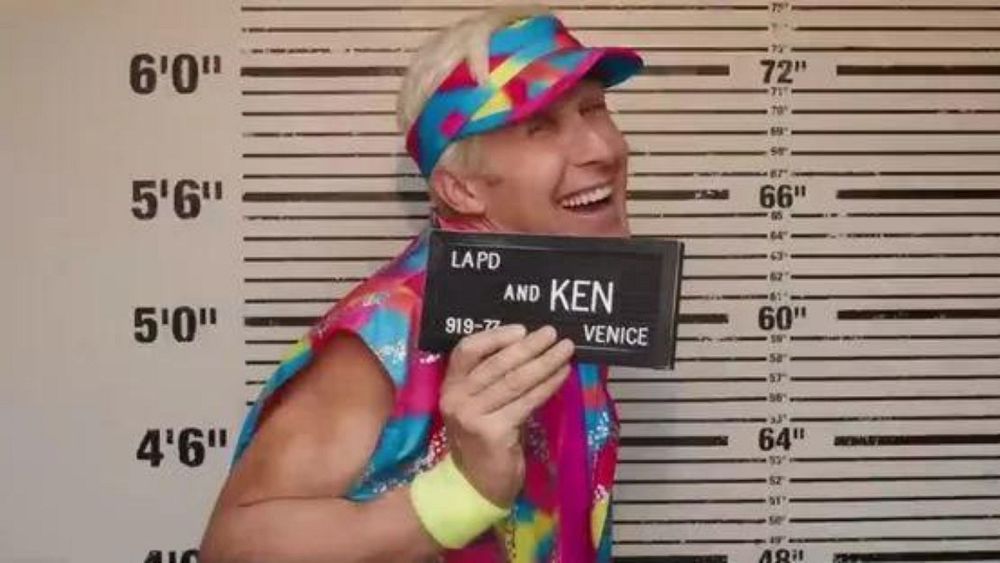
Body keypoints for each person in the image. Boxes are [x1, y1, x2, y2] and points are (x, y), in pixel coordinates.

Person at [199, 5, 643, 562]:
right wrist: (464, 492)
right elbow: (233, 549)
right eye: (541, 128)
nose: (603, 150)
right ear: (462, 190)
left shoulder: (571, 292)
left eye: (594, 109)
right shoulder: (391, 328)